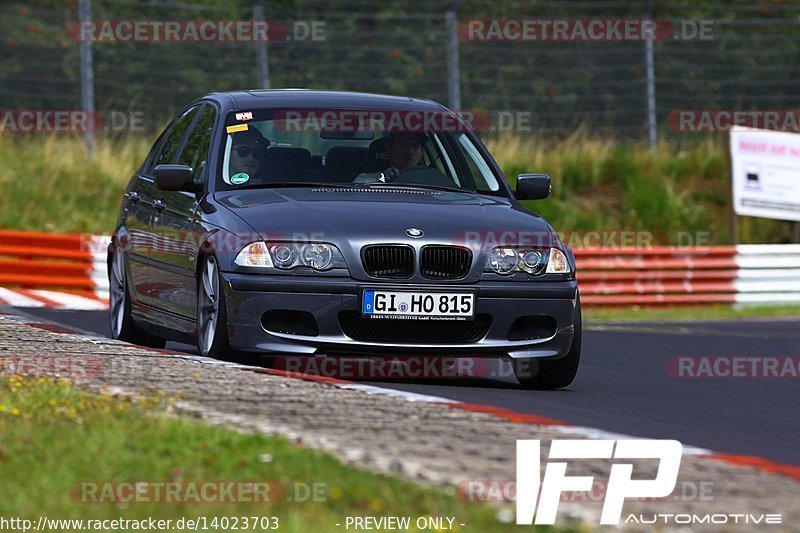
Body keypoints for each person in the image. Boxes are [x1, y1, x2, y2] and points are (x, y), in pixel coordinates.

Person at [353, 132, 427, 184]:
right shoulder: (366, 181)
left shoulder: (430, 182)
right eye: (403, 144)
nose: (410, 151)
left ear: (422, 153)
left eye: (415, 146)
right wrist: (382, 183)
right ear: (389, 149)